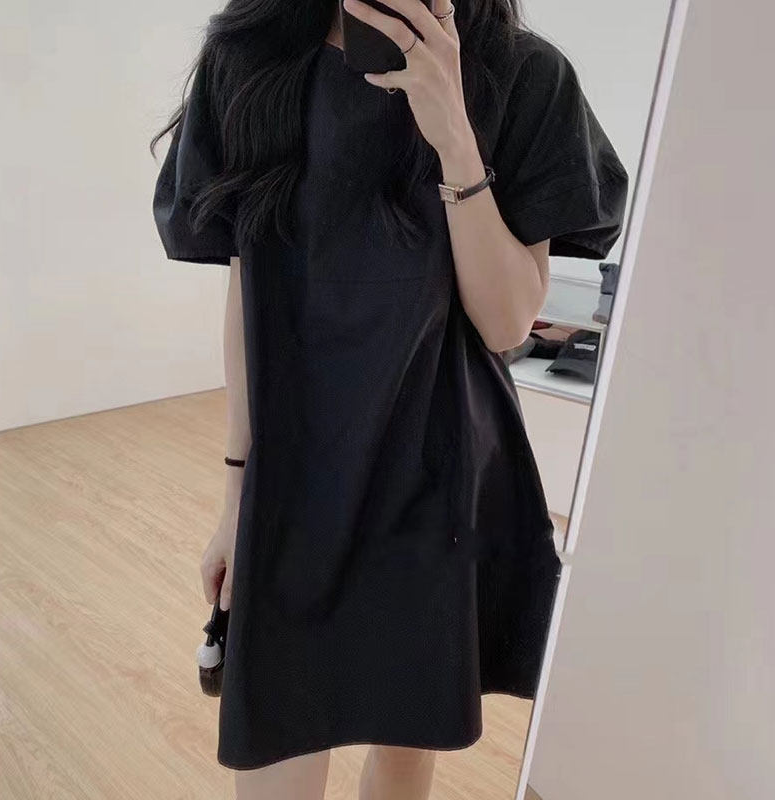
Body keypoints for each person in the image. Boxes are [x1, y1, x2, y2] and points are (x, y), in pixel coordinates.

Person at [150, 1, 628, 798]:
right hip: (297, 469)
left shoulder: (523, 74)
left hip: (436, 463)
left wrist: (454, 135)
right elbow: (249, 288)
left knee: (405, 740)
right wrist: (236, 494)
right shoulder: (253, 56)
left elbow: (507, 320)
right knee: (276, 732)